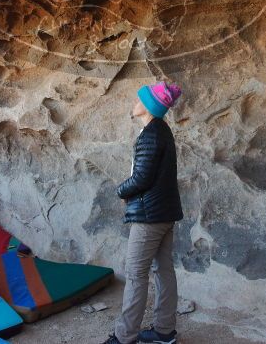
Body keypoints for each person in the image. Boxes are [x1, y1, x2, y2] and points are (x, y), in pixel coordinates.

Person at [104, 82, 184, 344]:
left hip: (150, 216)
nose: (134, 103)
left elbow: (141, 178)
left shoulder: (151, 134)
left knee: (136, 274)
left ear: (148, 107)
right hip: (164, 213)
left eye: (139, 100)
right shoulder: (162, 131)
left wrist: (120, 191)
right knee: (163, 270)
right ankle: (164, 331)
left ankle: (124, 336)